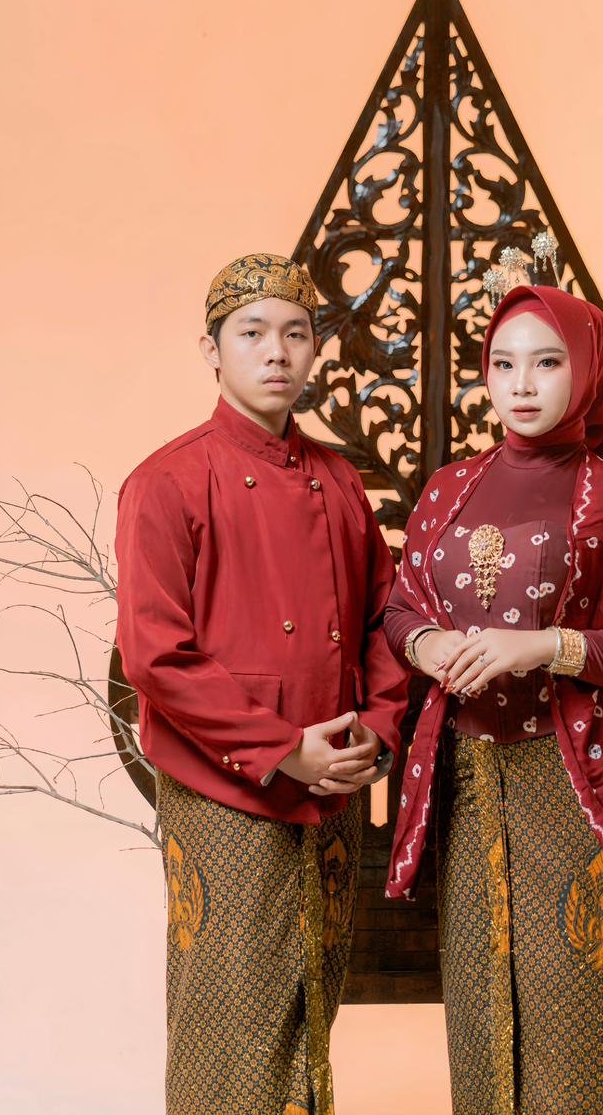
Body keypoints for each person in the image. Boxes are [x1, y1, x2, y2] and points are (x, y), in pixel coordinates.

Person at [384, 279, 603, 1115]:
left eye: (548, 363)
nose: (521, 385)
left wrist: (546, 647)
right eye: (503, 364)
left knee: (587, 1045)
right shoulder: (449, 488)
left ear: (588, 372)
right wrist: (428, 643)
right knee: (485, 1034)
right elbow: (402, 605)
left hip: (587, 793)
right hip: (472, 792)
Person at [115, 253, 408, 1115]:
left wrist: (377, 732)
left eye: (295, 333)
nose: (276, 352)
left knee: (312, 1013)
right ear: (212, 351)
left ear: (315, 349)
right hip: (227, 795)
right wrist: (283, 750)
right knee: (231, 1022)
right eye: (252, 334)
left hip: (333, 787)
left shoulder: (340, 480)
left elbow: (384, 622)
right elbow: (154, 655)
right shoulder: (166, 481)